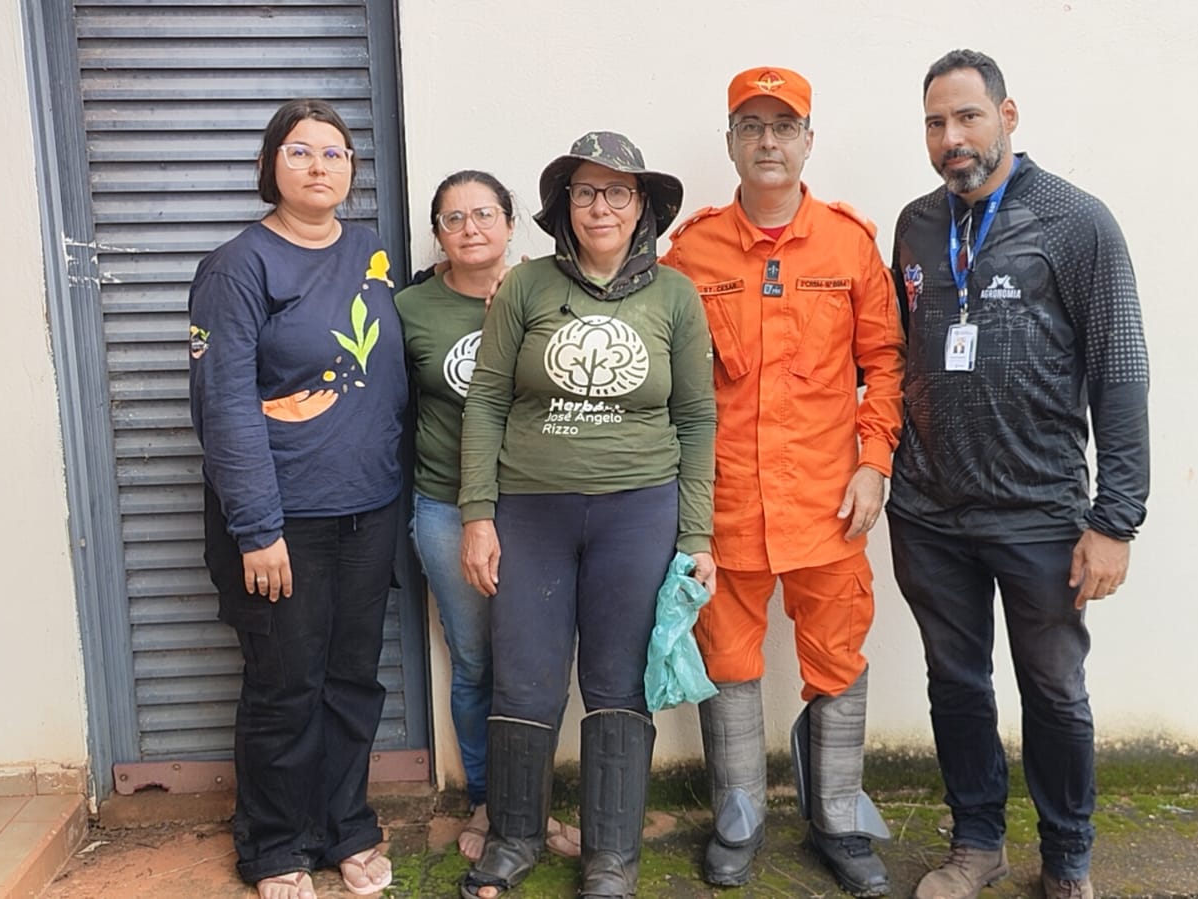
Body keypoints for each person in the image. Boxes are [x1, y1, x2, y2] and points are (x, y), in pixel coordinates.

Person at [887, 50, 1150, 899]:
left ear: (1007, 114)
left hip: (1039, 511)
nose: (951, 137)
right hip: (928, 508)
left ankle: (1066, 858)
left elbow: (1120, 367)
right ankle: (975, 844)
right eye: (935, 122)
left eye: (967, 116)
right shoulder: (915, 225)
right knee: (956, 684)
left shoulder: (1076, 222)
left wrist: (1115, 518)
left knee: (1052, 690)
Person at [662, 67, 906, 897]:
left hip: (827, 502)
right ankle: (738, 810)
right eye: (751, 125)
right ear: (730, 140)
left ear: (808, 139)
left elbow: (885, 363)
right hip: (726, 502)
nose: (768, 140)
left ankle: (835, 810)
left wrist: (874, 463)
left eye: (784, 125)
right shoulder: (689, 250)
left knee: (835, 655)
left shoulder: (847, 244)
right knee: (725, 657)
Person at [456, 132, 717, 899]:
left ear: (642, 208)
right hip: (530, 511)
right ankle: (512, 836)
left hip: (638, 512)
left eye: (617, 192)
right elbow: (487, 404)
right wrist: (478, 515)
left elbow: (697, 418)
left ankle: (610, 856)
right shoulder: (525, 288)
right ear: (562, 207)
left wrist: (696, 532)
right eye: (584, 192)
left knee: (615, 681)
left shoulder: (675, 295)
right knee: (526, 676)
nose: (600, 206)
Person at [188, 98, 406, 899]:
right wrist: (256, 528)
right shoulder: (239, 266)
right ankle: (275, 845)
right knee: (284, 686)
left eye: (336, 153)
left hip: (369, 509)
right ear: (270, 164)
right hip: (281, 521)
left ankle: (346, 827)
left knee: (352, 679)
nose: (321, 167)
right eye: (302, 152)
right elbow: (225, 404)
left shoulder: (372, 254)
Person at [392, 171, 581, 863]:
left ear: (510, 223)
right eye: (452, 218)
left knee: (532, 666)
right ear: (437, 233)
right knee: (475, 662)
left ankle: (532, 806)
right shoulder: (411, 307)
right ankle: (488, 800)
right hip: (446, 505)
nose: (470, 228)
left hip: (537, 505)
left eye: (484, 214)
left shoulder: (551, 290)